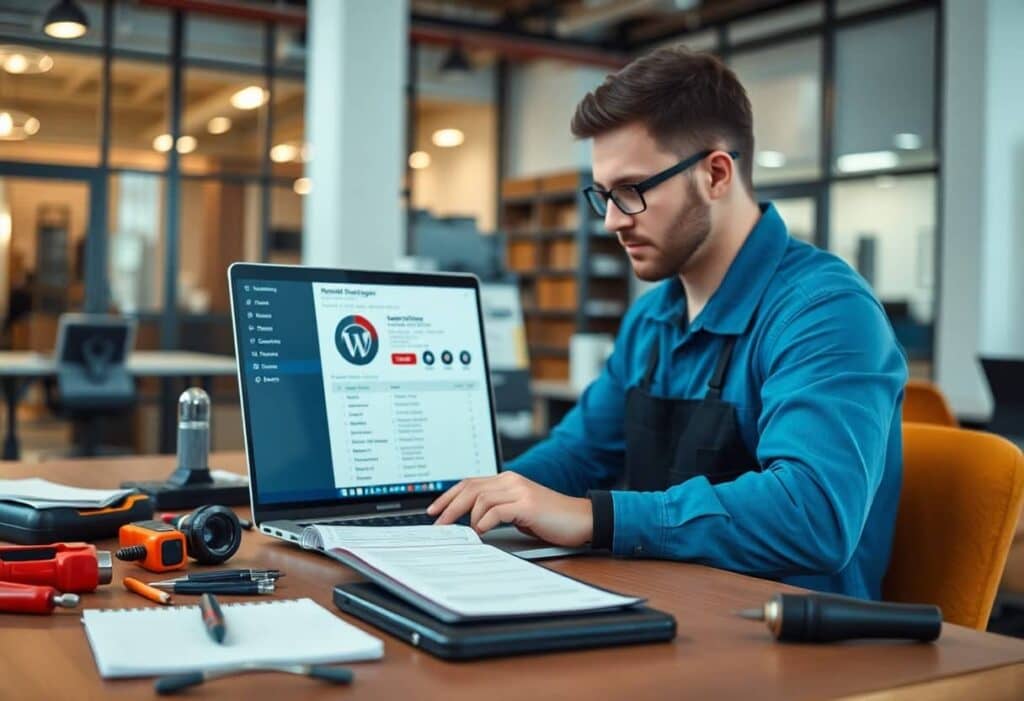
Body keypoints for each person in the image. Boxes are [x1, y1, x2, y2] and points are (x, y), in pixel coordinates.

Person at [428, 47, 907, 600]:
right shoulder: (653, 317)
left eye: (631, 191)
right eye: (603, 195)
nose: (611, 220)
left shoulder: (824, 312)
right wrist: (458, 501)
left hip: (797, 648)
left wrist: (596, 518)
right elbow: (579, 453)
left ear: (715, 174)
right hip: (671, 608)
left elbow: (813, 512)